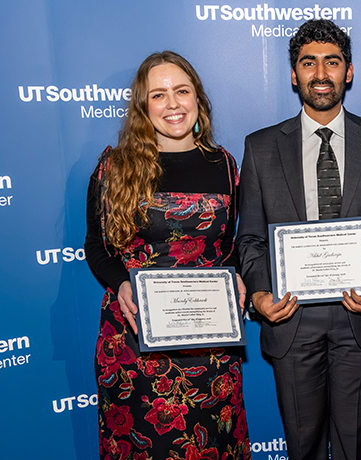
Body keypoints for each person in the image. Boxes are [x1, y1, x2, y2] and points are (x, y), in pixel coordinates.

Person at [237, 19, 361, 460]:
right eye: (308, 63)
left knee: (357, 446)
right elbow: (250, 239)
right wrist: (259, 294)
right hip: (290, 316)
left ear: (348, 72)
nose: (321, 73)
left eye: (332, 62)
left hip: (360, 316)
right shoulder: (260, 147)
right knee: (303, 446)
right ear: (293, 75)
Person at [85, 51, 250, 460]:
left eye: (182, 91)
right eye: (158, 95)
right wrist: (121, 282)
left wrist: (238, 276)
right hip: (136, 340)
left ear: (198, 99)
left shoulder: (224, 164)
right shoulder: (114, 167)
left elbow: (229, 246)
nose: (173, 104)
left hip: (209, 341)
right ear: (143, 106)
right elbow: (97, 246)